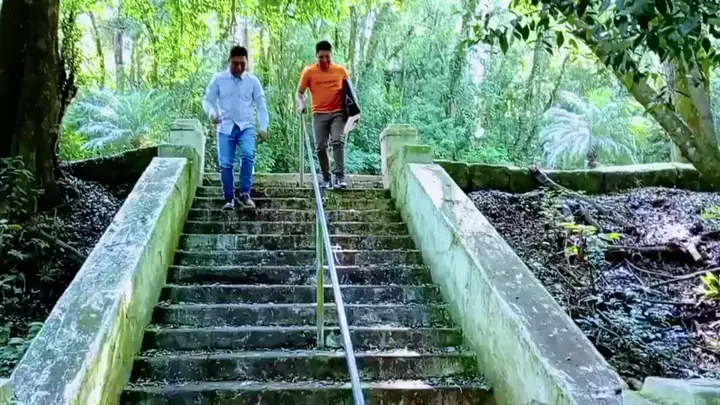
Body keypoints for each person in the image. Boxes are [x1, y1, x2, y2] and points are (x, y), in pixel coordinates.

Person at [203, 46, 269, 211]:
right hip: (225, 127)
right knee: (226, 163)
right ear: (229, 62)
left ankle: (245, 194)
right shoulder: (219, 79)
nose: (239, 67)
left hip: (246, 126)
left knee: (248, 155)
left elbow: (261, 106)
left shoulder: (252, 81)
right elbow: (208, 100)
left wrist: (263, 127)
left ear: (247, 63)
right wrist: (212, 113)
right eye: (235, 64)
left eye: (242, 64)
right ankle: (229, 199)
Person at [297, 40, 351, 189]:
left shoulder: (341, 71)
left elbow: (350, 94)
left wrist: (354, 113)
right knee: (320, 147)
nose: (325, 60)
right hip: (319, 114)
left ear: (331, 55)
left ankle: (340, 177)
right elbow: (299, 92)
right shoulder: (309, 72)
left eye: (328, 56)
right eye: (321, 57)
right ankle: (327, 177)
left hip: (338, 113)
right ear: (316, 56)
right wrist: (302, 103)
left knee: (337, 140)